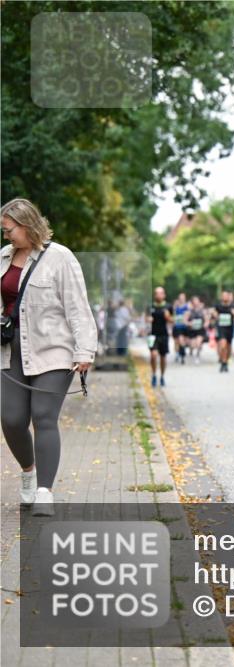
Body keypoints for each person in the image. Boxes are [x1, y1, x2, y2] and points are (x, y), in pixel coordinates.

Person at [1, 198, 98, 516]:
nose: (5, 236)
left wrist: (84, 350)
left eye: (8, 229)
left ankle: (44, 491)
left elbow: (77, 306)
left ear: (26, 225)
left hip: (55, 349)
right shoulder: (2, 258)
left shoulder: (59, 257)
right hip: (12, 349)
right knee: (12, 419)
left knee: (44, 416)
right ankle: (28, 472)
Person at [147, 286, 174, 387]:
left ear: (164, 295)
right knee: (153, 355)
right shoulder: (150, 306)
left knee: (163, 357)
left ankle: (162, 376)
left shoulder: (168, 306)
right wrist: (148, 319)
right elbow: (146, 318)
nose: (158, 295)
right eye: (156, 293)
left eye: (160, 293)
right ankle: (154, 375)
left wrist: (168, 317)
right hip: (152, 335)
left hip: (164, 335)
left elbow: (173, 320)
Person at [212, 290, 234, 373]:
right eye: (223, 296)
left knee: (228, 347)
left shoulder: (233, 305)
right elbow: (213, 313)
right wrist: (215, 314)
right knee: (223, 345)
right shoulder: (218, 306)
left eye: (226, 295)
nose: (225, 297)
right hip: (221, 328)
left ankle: (226, 361)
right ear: (221, 297)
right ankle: (223, 362)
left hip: (230, 328)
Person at [184, 296, 208, 364]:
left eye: (197, 301)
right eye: (194, 301)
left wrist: (205, 324)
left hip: (200, 330)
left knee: (198, 343)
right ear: (192, 303)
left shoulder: (203, 311)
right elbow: (185, 321)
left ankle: (197, 355)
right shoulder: (189, 312)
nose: (196, 302)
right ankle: (193, 350)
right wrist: (189, 324)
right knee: (192, 345)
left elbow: (206, 320)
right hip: (192, 331)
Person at [172, 292, 189, 364]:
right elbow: (172, 315)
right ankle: (177, 354)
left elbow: (188, 315)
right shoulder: (176, 306)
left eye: (183, 297)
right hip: (176, 326)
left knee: (182, 341)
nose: (182, 299)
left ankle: (182, 355)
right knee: (176, 342)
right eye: (180, 298)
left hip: (183, 327)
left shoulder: (187, 307)